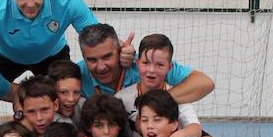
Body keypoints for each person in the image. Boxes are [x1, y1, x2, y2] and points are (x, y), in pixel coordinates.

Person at [116, 33, 230, 137]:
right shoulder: (122, 98)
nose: (151, 70)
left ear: (169, 67)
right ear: (137, 63)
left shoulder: (177, 95)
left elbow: (196, 128)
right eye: (146, 63)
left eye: (159, 65)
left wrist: (179, 135)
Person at [76, 23, 214, 103]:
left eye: (107, 57)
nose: (100, 67)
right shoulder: (77, 74)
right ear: (84, 57)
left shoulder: (145, 65)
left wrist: (156, 102)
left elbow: (205, 83)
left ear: (119, 50)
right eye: (92, 60)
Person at [47, 59, 84, 124]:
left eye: (76, 92)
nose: (71, 99)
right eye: (63, 92)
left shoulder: (83, 106)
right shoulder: (43, 119)